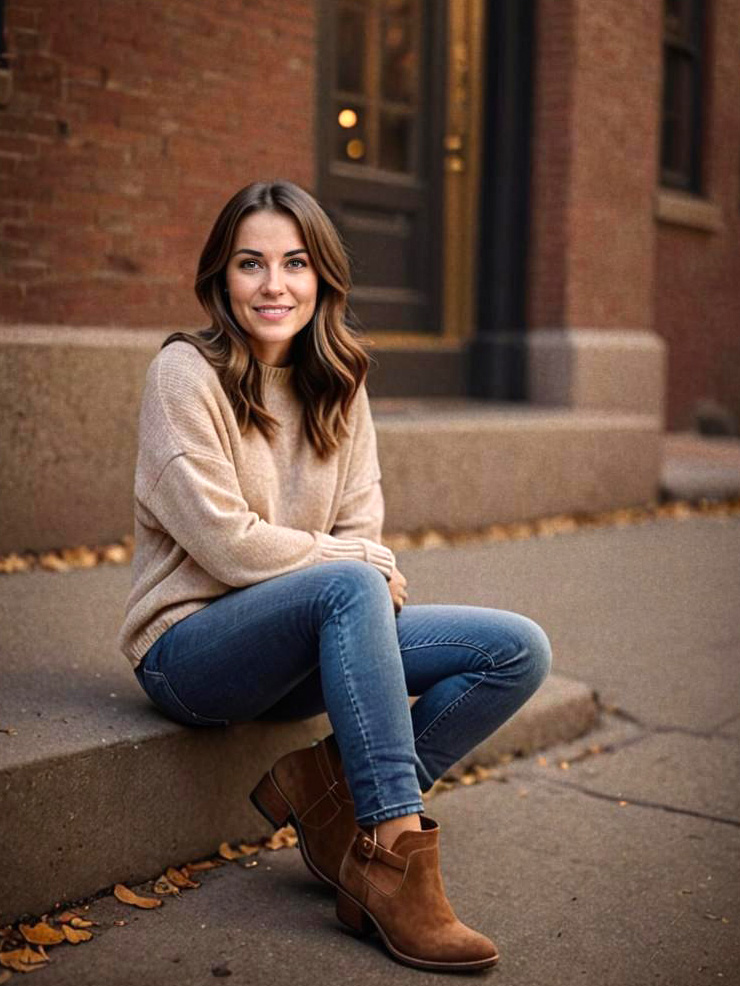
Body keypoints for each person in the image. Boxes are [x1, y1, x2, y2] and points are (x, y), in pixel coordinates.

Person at [118, 179, 552, 972]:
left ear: (321, 278)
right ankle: (391, 854)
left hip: (306, 640)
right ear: (221, 278)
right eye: (251, 264)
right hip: (189, 651)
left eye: (294, 263)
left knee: (517, 650)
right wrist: (351, 565)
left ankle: (328, 791)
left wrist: (352, 564)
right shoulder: (184, 375)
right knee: (350, 581)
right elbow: (225, 545)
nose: (273, 285)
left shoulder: (340, 384)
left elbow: (360, 531)